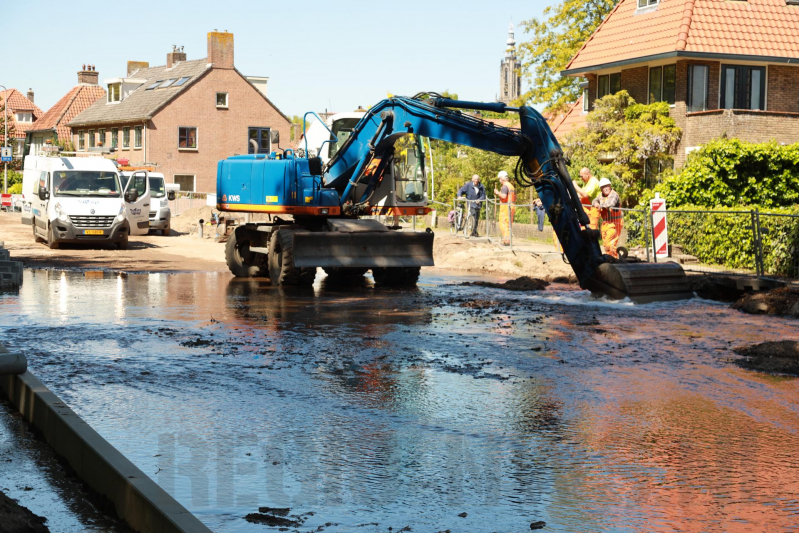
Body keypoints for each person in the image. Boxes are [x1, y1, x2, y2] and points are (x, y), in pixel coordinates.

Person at [593, 178, 623, 258]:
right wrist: (596, 203)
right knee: (606, 244)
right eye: (603, 187)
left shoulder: (614, 194)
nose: (605, 188)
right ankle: (609, 259)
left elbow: (611, 203)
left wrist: (600, 205)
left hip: (615, 223)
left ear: (610, 186)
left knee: (611, 243)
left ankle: (614, 260)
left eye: (606, 186)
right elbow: (594, 201)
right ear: (601, 189)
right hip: (605, 223)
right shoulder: (600, 195)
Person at [494, 170, 516, 245]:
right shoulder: (511, 185)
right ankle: (508, 240)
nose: (499, 181)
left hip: (506, 207)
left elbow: (504, 196)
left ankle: (506, 241)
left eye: (499, 179)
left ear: (501, 178)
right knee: (509, 224)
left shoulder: (505, 186)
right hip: (512, 206)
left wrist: (497, 192)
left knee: (504, 224)